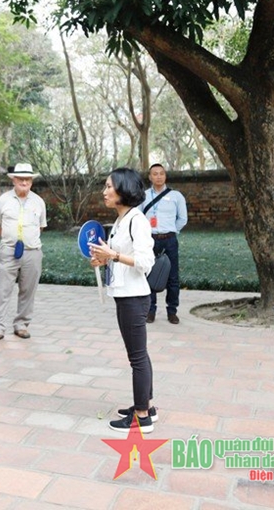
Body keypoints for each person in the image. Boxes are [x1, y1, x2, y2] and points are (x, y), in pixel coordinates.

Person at [88, 168, 157, 433]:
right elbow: (118, 254)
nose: (104, 192)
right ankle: (146, 406)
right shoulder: (121, 220)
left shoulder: (136, 220)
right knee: (139, 355)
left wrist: (113, 255)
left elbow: (144, 261)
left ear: (123, 189)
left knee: (137, 358)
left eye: (109, 187)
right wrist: (104, 258)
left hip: (134, 298)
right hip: (124, 295)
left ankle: (141, 416)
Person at [0, 163, 47, 343]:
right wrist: (10, 240)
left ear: (32, 181)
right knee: (2, 289)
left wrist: (27, 241)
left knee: (28, 290)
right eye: (20, 178)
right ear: (13, 179)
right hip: (9, 251)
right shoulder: (3, 200)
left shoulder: (39, 201)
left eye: (28, 178)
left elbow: (41, 227)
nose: (24, 181)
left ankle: (22, 324)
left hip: (32, 252)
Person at [143, 164, 188, 324]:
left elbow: (183, 219)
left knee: (173, 277)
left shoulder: (176, 196)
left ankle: (172, 311)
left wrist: (171, 231)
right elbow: (139, 218)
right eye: (155, 174)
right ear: (150, 177)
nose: (158, 176)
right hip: (150, 240)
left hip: (169, 240)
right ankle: (150, 310)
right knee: (148, 274)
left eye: (161, 173)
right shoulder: (144, 196)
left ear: (165, 176)